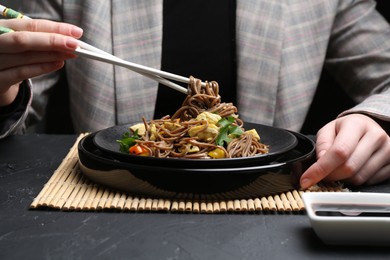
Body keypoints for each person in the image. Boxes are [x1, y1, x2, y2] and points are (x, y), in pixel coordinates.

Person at [1, 0, 390, 190]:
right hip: (108, 198)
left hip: (271, 208)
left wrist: (373, 118)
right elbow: (24, 99)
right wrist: (5, 92)